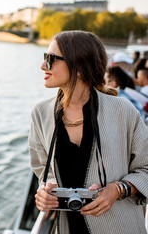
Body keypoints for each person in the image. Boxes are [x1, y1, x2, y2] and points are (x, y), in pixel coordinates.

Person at [29, 30, 148, 233]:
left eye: (50, 59)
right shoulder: (40, 113)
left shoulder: (124, 111)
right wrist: (46, 191)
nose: (43, 66)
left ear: (79, 68)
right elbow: (43, 170)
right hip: (66, 227)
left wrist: (119, 189)